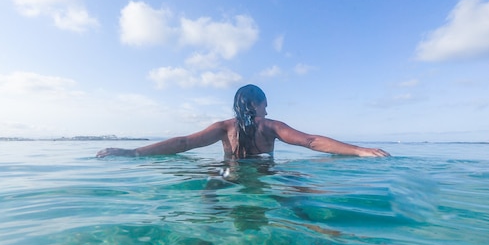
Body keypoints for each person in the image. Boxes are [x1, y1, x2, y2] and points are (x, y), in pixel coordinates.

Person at [96, 84, 390, 159]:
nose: (267, 107)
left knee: (210, 196)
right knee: (297, 197)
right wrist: (359, 150)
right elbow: (311, 142)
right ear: (256, 104)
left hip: (229, 176)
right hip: (266, 176)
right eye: (265, 103)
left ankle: (204, 238)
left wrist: (132, 152)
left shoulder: (224, 128)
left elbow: (184, 143)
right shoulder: (272, 126)